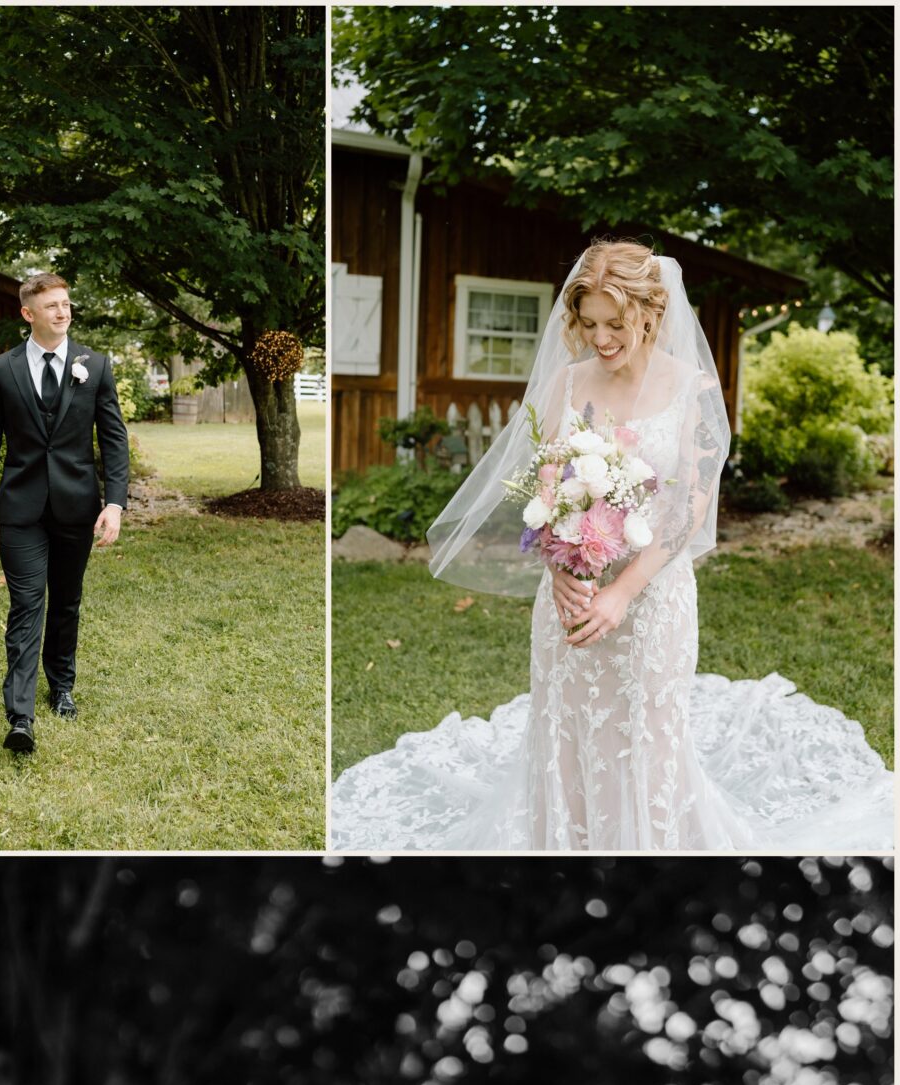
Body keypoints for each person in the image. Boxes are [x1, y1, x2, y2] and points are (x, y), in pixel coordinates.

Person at [331, 240, 893, 852]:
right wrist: (558, 569)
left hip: (652, 596)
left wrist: (623, 592)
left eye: (615, 324)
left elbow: (691, 509)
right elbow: (546, 488)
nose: (600, 338)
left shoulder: (695, 390)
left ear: (651, 313)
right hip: (572, 593)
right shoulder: (564, 385)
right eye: (589, 322)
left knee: (647, 736)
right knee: (567, 732)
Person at [0, 271, 132, 756]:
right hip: (19, 508)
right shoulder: (2, 369)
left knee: (65, 601)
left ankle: (61, 686)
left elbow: (113, 438)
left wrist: (116, 502)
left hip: (76, 505)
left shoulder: (95, 366)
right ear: (28, 313)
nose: (63, 312)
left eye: (66, 304)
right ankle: (20, 716)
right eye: (52, 305)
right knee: (26, 605)